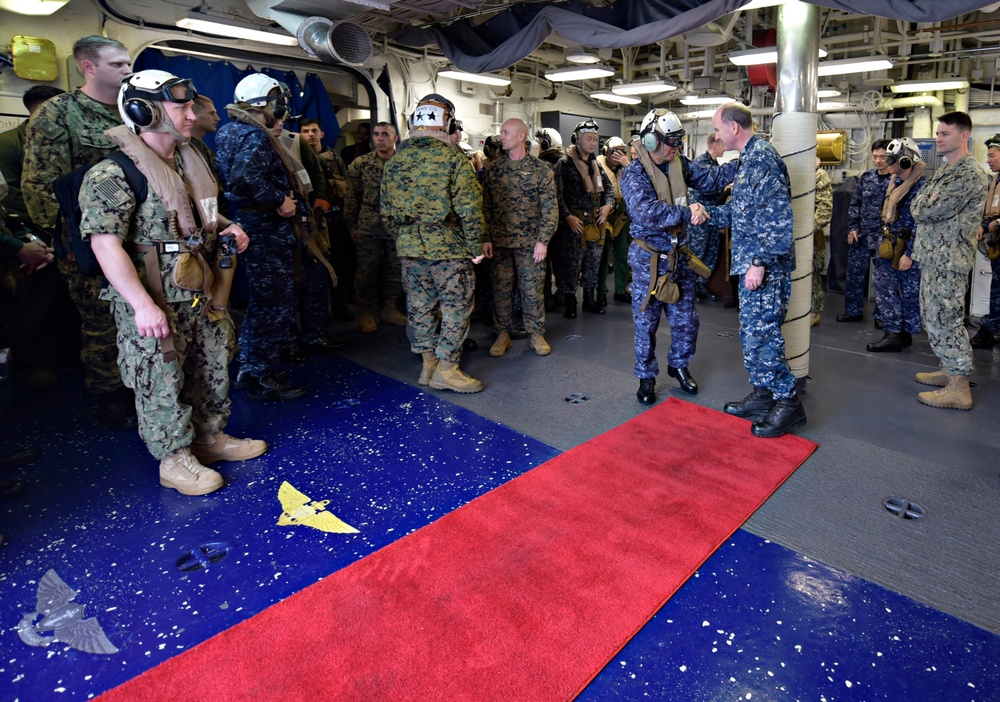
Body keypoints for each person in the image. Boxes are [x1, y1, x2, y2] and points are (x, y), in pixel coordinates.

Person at [80, 70, 266, 495]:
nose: (191, 113)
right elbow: (105, 246)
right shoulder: (111, 174)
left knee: (212, 361)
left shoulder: (190, 156)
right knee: (160, 375)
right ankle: (174, 458)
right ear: (142, 111)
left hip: (201, 286)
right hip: (156, 293)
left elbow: (199, 211)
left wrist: (228, 225)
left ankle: (208, 436)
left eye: (190, 104)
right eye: (179, 105)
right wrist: (142, 305)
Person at [21, 36, 137, 430]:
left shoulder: (135, 109)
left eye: (128, 63)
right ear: (88, 66)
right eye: (118, 64)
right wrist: (71, 241)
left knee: (143, 315)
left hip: (140, 236)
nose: (127, 70)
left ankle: (145, 390)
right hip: (90, 241)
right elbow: (40, 186)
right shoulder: (58, 114)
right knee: (102, 321)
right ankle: (111, 396)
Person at [620, 109, 737, 404]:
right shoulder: (635, 174)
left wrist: (743, 161)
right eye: (670, 142)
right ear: (649, 141)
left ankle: (679, 366)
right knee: (646, 323)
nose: (675, 148)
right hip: (650, 260)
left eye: (678, 141)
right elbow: (646, 212)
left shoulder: (679, 163)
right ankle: (646, 377)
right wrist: (689, 213)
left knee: (687, 321)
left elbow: (711, 180)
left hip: (679, 257)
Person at [709, 102, 806, 438]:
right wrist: (706, 214)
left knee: (764, 337)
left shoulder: (762, 158)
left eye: (719, 130)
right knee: (753, 337)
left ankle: (788, 403)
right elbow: (741, 212)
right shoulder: (748, 160)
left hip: (764, 267)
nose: (717, 137)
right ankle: (764, 395)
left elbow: (779, 220)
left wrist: (759, 262)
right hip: (753, 264)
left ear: (734, 127)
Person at [380, 94, 487, 392]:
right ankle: (448, 369)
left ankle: (428, 365)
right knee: (456, 306)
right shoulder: (455, 160)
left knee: (420, 307)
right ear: (447, 123)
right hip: (450, 248)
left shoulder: (395, 162)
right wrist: (476, 247)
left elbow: (386, 213)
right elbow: (470, 210)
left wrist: (406, 238)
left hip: (409, 246)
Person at [215, 73, 307, 401]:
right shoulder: (255, 136)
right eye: (276, 102)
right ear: (263, 105)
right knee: (274, 305)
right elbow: (243, 181)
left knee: (261, 304)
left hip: (255, 228)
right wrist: (279, 199)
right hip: (267, 231)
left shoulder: (230, 132)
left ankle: (249, 366)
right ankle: (264, 375)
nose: (280, 109)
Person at [910, 111, 988, 409]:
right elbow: (922, 202)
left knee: (946, 318)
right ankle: (949, 367)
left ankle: (959, 387)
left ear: (964, 136)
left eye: (944, 134)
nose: (938, 139)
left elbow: (924, 210)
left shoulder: (968, 173)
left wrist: (923, 203)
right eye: (938, 134)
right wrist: (923, 202)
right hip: (934, 257)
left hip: (949, 260)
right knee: (933, 316)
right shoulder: (947, 169)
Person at [483, 118, 558, 357]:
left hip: (530, 245)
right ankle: (503, 333)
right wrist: (485, 238)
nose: (501, 136)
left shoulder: (540, 170)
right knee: (501, 290)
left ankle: (536, 333)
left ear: (520, 136)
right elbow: (485, 207)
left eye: (505, 132)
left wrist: (543, 240)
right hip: (500, 243)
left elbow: (550, 208)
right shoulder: (494, 170)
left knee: (532, 290)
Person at [345, 121, 406, 333]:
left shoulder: (404, 164)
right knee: (367, 269)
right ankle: (365, 311)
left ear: (395, 138)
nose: (380, 138)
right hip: (369, 224)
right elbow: (352, 197)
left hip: (397, 225)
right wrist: (352, 225)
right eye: (376, 134)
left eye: (385, 134)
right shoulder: (360, 164)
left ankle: (390, 307)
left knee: (396, 269)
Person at [867, 138, 925, 353]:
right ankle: (894, 332)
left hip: (907, 248)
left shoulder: (920, 188)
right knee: (885, 290)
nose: (888, 165)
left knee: (909, 293)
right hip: (889, 244)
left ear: (905, 161)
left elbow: (922, 225)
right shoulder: (896, 183)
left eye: (892, 160)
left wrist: (909, 254)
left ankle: (903, 334)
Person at [554, 120, 615, 318]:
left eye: (595, 139)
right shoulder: (564, 164)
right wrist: (567, 216)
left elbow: (609, 191)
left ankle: (589, 299)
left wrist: (607, 207)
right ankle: (571, 301)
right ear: (577, 140)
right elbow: (556, 194)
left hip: (595, 223)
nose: (593, 142)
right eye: (589, 138)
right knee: (572, 265)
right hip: (574, 225)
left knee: (592, 264)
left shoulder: (595, 164)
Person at [301, 117, 355, 323]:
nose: (310, 135)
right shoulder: (297, 159)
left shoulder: (334, 158)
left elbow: (345, 186)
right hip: (310, 221)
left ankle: (339, 305)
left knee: (340, 264)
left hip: (333, 218)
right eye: (305, 131)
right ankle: (314, 313)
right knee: (313, 267)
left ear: (321, 134)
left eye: (314, 130)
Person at [840, 139, 891, 324]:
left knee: (883, 280)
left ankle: (881, 316)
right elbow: (855, 204)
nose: (878, 161)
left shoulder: (896, 179)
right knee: (854, 274)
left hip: (883, 237)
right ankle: (853, 311)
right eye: (875, 156)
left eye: (882, 157)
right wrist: (853, 228)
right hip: (861, 235)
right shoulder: (867, 177)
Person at [689, 133, 727, 302]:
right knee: (697, 252)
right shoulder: (701, 163)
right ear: (715, 145)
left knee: (712, 251)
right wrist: (725, 188)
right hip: (700, 216)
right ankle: (691, 286)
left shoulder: (713, 163)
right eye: (723, 144)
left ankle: (702, 284)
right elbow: (705, 188)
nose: (725, 148)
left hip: (712, 215)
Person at [971, 133, 1000, 349]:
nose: (988, 160)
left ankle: (988, 331)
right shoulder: (996, 179)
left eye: (992, 155)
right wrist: (983, 225)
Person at [596, 136, 632, 306]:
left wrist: (627, 164)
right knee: (603, 257)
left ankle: (621, 289)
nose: (618, 156)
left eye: (622, 152)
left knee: (622, 254)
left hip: (622, 214)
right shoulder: (597, 166)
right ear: (606, 153)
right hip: (605, 214)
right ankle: (601, 291)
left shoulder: (626, 168)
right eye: (614, 152)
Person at [811, 158, 834, 326]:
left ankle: (814, 313)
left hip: (810, 236)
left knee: (812, 275)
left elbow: (825, 210)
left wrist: (805, 231)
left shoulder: (819, 176)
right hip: (786, 235)